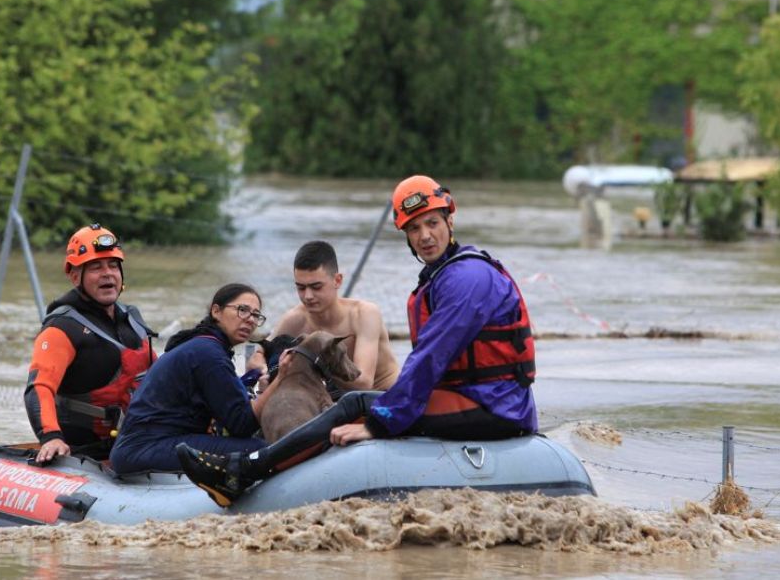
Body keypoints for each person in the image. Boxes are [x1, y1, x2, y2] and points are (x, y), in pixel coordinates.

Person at [177, 175, 538, 506]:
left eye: (432, 223)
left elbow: (429, 359)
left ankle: (244, 471)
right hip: (481, 399)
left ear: (450, 221)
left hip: (494, 407)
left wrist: (378, 423)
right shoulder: (444, 274)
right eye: (414, 228)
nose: (425, 235)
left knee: (356, 405)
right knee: (359, 404)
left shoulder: (466, 278)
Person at [109, 283, 293, 476]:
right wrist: (281, 377)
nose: (250, 320)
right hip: (145, 449)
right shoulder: (209, 353)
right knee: (257, 450)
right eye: (242, 310)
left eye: (256, 315)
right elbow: (242, 424)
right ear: (216, 311)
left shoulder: (202, 345)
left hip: (140, 446)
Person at [25, 223, 157, 463]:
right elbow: (39, 388)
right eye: (96, 267)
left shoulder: (133, 318)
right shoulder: (61, 328)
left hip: (135, 442)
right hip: (84, 452)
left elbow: (161, 377)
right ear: (75, 276)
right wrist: (50, 437)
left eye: (113, 266)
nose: (107, 273)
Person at [246, 240, 398, 394]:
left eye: (316, 287)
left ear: (337, 280)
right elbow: (259, 351)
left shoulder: (365, 314)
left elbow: (364, 384)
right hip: (336, 400)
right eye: (301, 287)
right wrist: (260, 362)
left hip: (385, 397)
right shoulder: (295, 318)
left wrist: (312, 359)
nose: (308, 296)